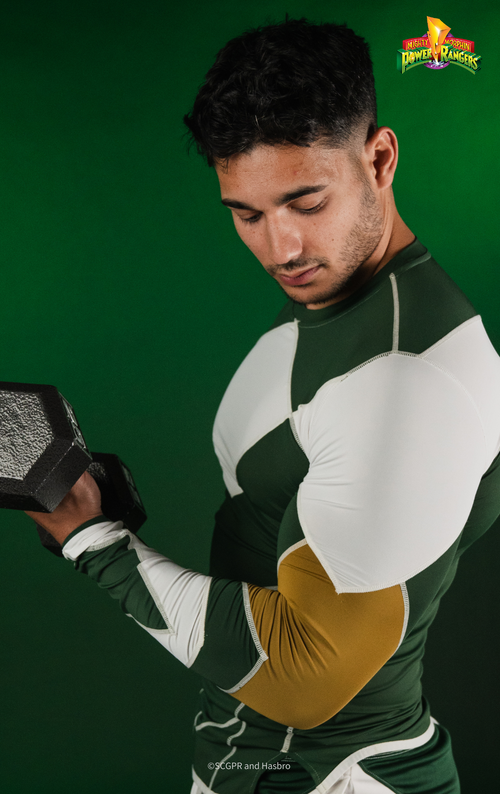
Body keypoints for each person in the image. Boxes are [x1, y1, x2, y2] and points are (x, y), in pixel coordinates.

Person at [26, 18, 500, 794]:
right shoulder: (336, 299)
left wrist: (94, 542)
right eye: (246, 213)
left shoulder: (405, 381)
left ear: (379, 159)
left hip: (341, 776)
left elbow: (307, 675)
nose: (281, 249)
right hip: (253, 764)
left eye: (306, 201)